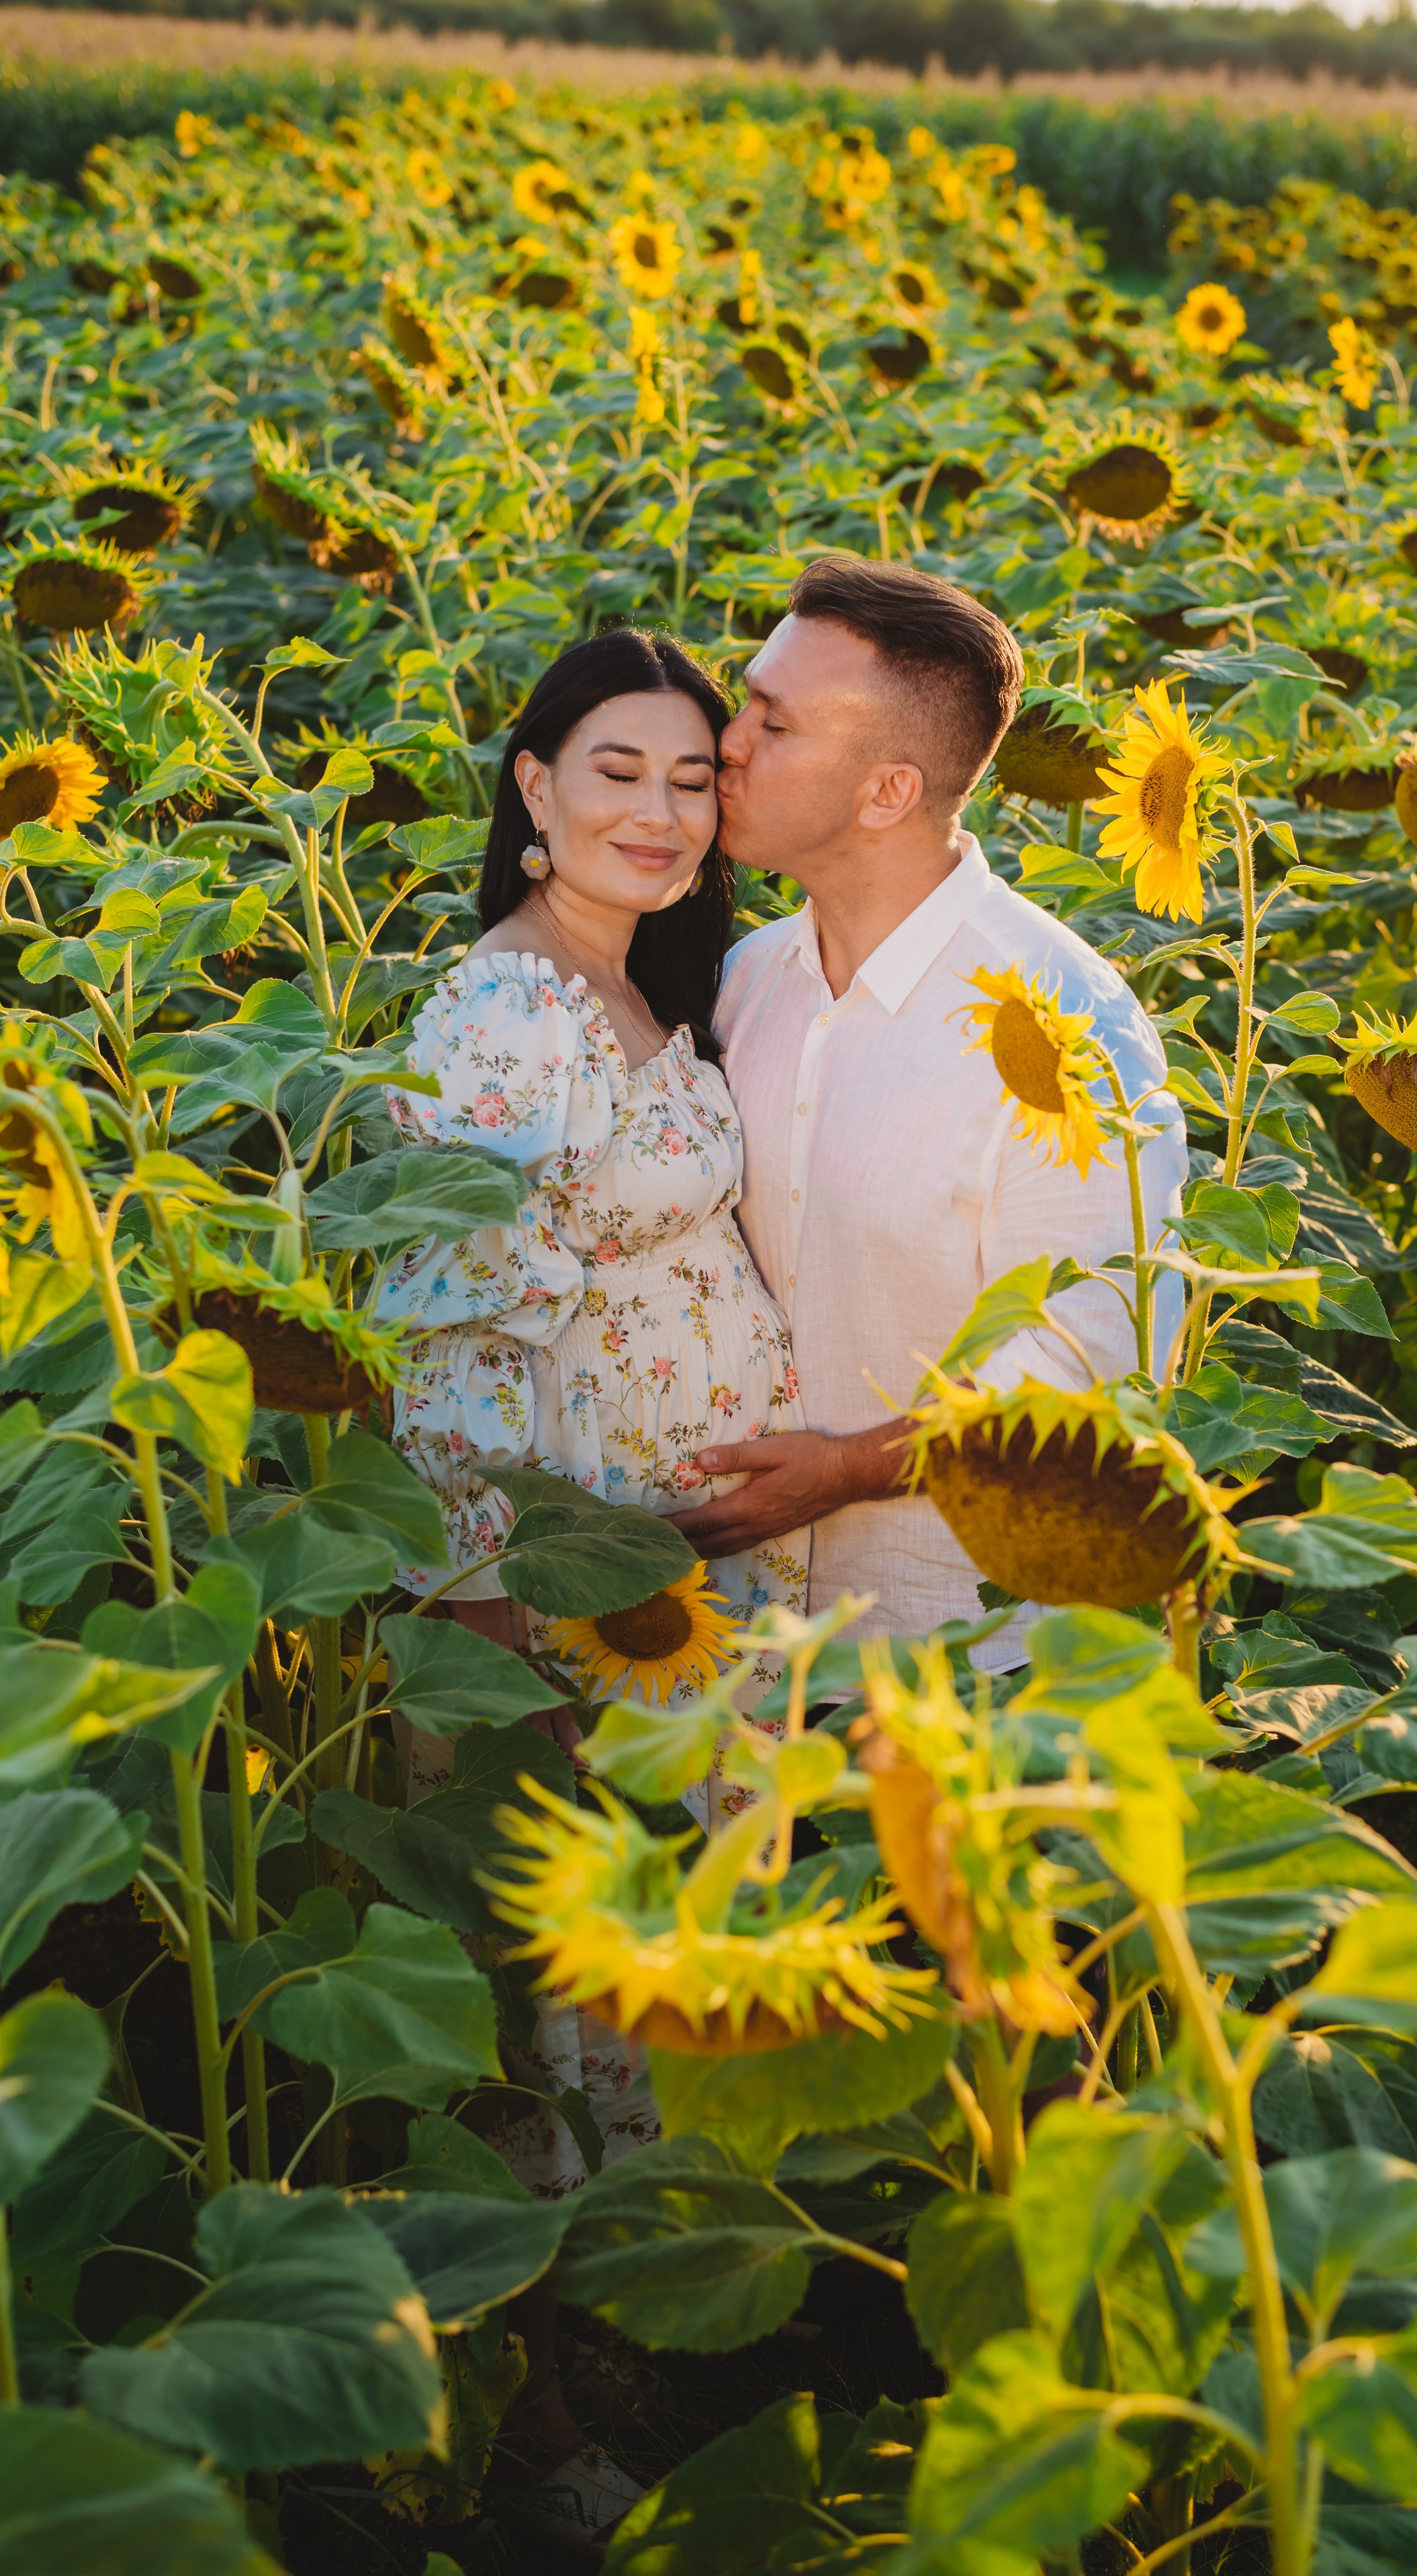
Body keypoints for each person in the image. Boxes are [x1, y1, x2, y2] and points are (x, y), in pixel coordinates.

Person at [375, 630, 807, 2509]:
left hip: (666, 1600)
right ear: (533, 788)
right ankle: (533, 2442)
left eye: (694, 777)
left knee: (625, 1976)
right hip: (553, 1593)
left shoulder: (647, 990)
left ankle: (630, 2361)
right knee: (535, 2001)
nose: (660, 809)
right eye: (615, 770)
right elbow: (444, 1337)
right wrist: (488, 1634)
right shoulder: (508, 1013)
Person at [666, 558, 1185, 1661]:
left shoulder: (1058, 1029)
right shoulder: (744, 980)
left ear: (887, 791)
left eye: (774, 720)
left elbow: (1092, 1361)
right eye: (743, 698)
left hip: (973, 1649)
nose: (730, 742)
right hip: (740, 1646)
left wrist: (847, 1471)